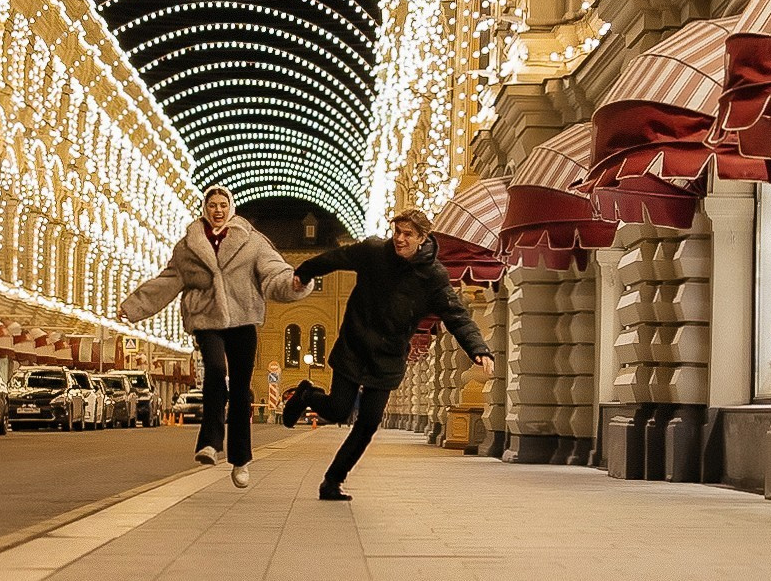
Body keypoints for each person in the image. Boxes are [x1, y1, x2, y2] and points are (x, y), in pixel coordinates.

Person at [283, 207, 495, 501]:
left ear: (422, 238)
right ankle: (306, 395)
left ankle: (332, 481)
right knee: (338, 410)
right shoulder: (374, 252)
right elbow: (336, 258)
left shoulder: (433, 276)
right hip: (355, 344)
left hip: (388, 357)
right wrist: (304, 272)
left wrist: (478, 348)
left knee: (368, 422)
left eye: (408, 234)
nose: (399, 238)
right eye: (397, 231)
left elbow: (456, 315)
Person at [120, 184, 304, 488]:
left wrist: (294, 284)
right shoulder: (189, 246)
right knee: (216, 372)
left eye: (222, 205)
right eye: (212, 205)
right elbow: (168, 281)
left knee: (242, 388)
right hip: (207, 320)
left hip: (243, 320)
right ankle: (209, 443)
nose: (217, 210)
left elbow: (274, 272)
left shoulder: (252, 243)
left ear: (230, 208)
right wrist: (134, 305)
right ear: (205, 209)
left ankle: (241, 460)